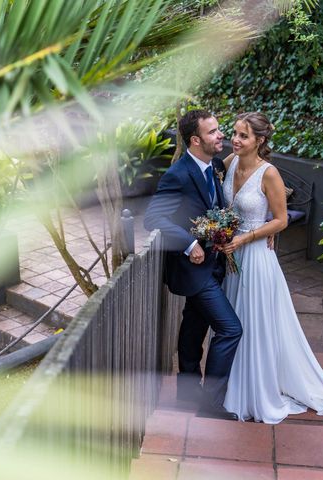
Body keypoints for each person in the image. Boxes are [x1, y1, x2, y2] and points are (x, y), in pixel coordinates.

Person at [220, 112, 323, 423]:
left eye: (243, 135)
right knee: (231, 322)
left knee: (252, 324)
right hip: (231, 256)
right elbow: (225, 208)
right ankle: (231, 386)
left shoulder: (269, 173)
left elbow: (281, 219)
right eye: (234, 133)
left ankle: (255, 392)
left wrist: (249, 236)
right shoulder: (228, 164)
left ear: (259, 141)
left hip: (256, 258)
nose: (234, 139)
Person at [144, 109, 242, 420]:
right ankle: (210, 405)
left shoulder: (214, 165)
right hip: (192, 270)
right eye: (213, 132)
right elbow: (152, 219)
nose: (221, 135)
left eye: (219, 129)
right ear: (195, 140)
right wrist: (189, 245)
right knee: (230, 329)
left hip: (213, 265)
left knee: (194, 325)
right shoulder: (178, 173)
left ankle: (186, 392)